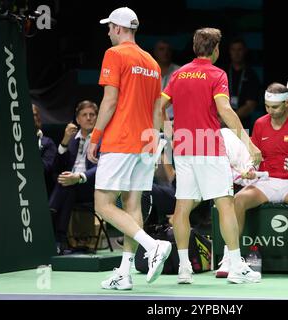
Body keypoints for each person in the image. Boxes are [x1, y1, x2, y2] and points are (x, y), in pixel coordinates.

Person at [160, 27, 262, 285]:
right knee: (225, 203)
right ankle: (237, 268)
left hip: (183, 148)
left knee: (182, 207)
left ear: (195, 48)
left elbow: (158, 106)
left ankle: (184, 269)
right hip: (208, 147)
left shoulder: (178, 73)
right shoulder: (217, 74)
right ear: (216, 50)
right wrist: (248, 144)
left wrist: (168, 130)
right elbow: (225, 110)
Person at [87, 7, 172, 290]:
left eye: (110, 27)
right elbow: (157, 108)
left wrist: (95, 136)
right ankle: (124, 273)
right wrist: (155, 140)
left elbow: (109, 101)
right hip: (147, 140)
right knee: (132, 204)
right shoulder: (152, 62)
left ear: (119, 28)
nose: (108, 32)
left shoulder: (114, 55)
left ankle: (153, 246)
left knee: (104, 204)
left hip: (120, 140)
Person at [216, 82, 288, 279]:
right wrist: (251, 170)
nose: (270, 111)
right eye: (267, 106)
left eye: (275, 107)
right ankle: (232, 257)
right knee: (237, 200)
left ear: (287, 102)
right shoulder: (260, 124)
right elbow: (256, 158)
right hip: (268, 181)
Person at [49, 100, 98, 254]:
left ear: (97, 117)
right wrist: (64, 141)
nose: (89, 118)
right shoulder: (71, 138)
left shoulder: (102, 139)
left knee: (66, 185)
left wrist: (79, 177)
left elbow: (102, 167)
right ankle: (61, 240)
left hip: (90, 186)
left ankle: (51, 224)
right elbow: (57, 167)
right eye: (84, 115)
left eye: (92, 115)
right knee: (66, 185)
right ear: (77, 119)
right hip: (69, 187)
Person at [227, 37, 260, 132]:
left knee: (242, 147)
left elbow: (250, 105)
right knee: (221, 146)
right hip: (221, 123)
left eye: (239, 49)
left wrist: (229, 119)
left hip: (243, 125)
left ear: (245, 51)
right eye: (233, 49)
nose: (236, 53)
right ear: (229, 51)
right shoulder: (222, 72)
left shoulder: (251, 75)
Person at [153, 40, 181, 121]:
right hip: (152, 120)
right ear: (155, 52)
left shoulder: (180, 72)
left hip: (174, 120)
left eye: (168, 50)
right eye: (161, 49)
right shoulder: (148, 71)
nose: (165, 53)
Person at [32, 104, 56, 197]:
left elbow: (45, 169)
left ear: (38, 118)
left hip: (40, 190)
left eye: (33, 115)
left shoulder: (47, 143)